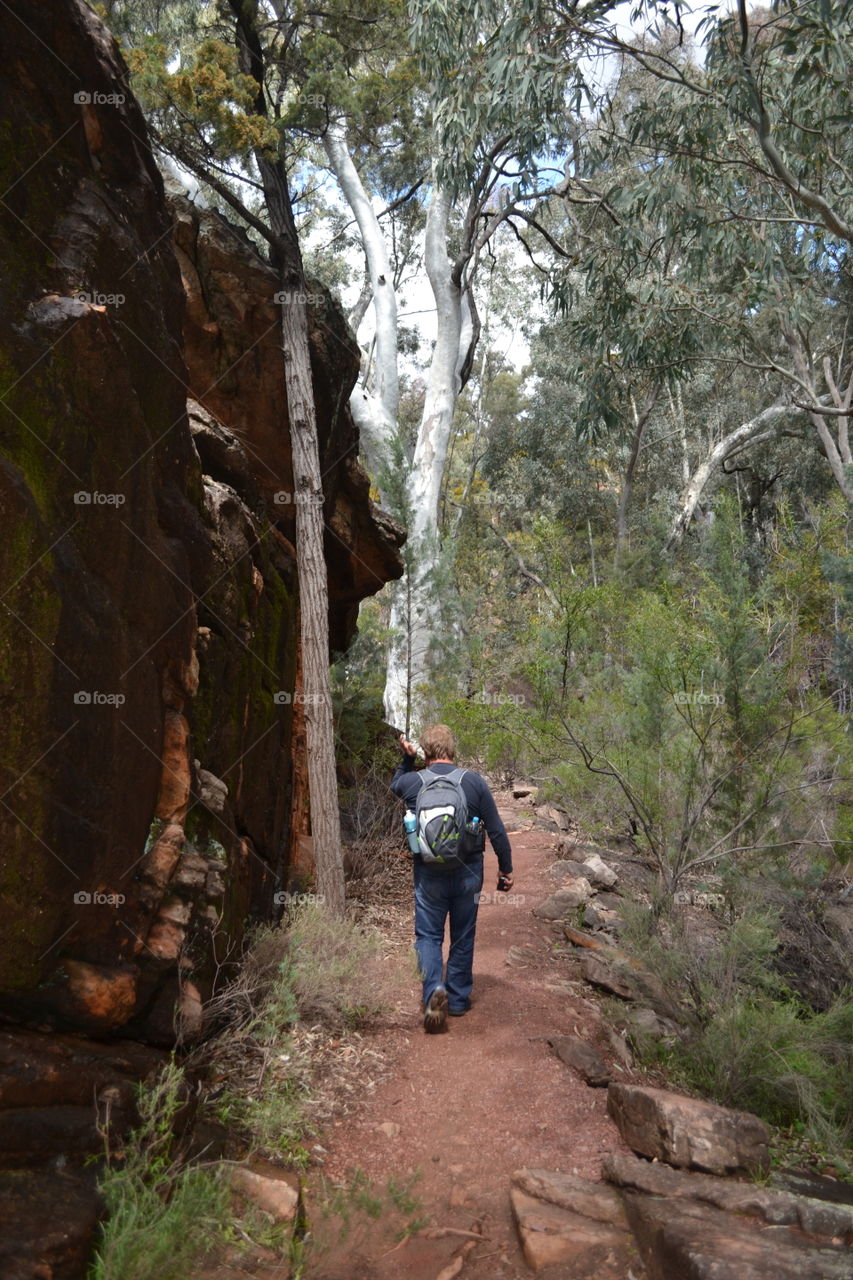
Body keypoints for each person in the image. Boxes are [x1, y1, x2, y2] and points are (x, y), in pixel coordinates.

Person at [391, 724, 513, 1033]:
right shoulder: (473, 783)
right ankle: (457, 1000)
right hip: (468, 873)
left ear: (426, 752)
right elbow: (496, 829)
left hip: (428, 873)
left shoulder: (413, 782)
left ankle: (433, 988)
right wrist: (506, 868)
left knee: (429, 936)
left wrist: (407, 760)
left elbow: (395, 785)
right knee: (462, 935)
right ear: (452, 750)